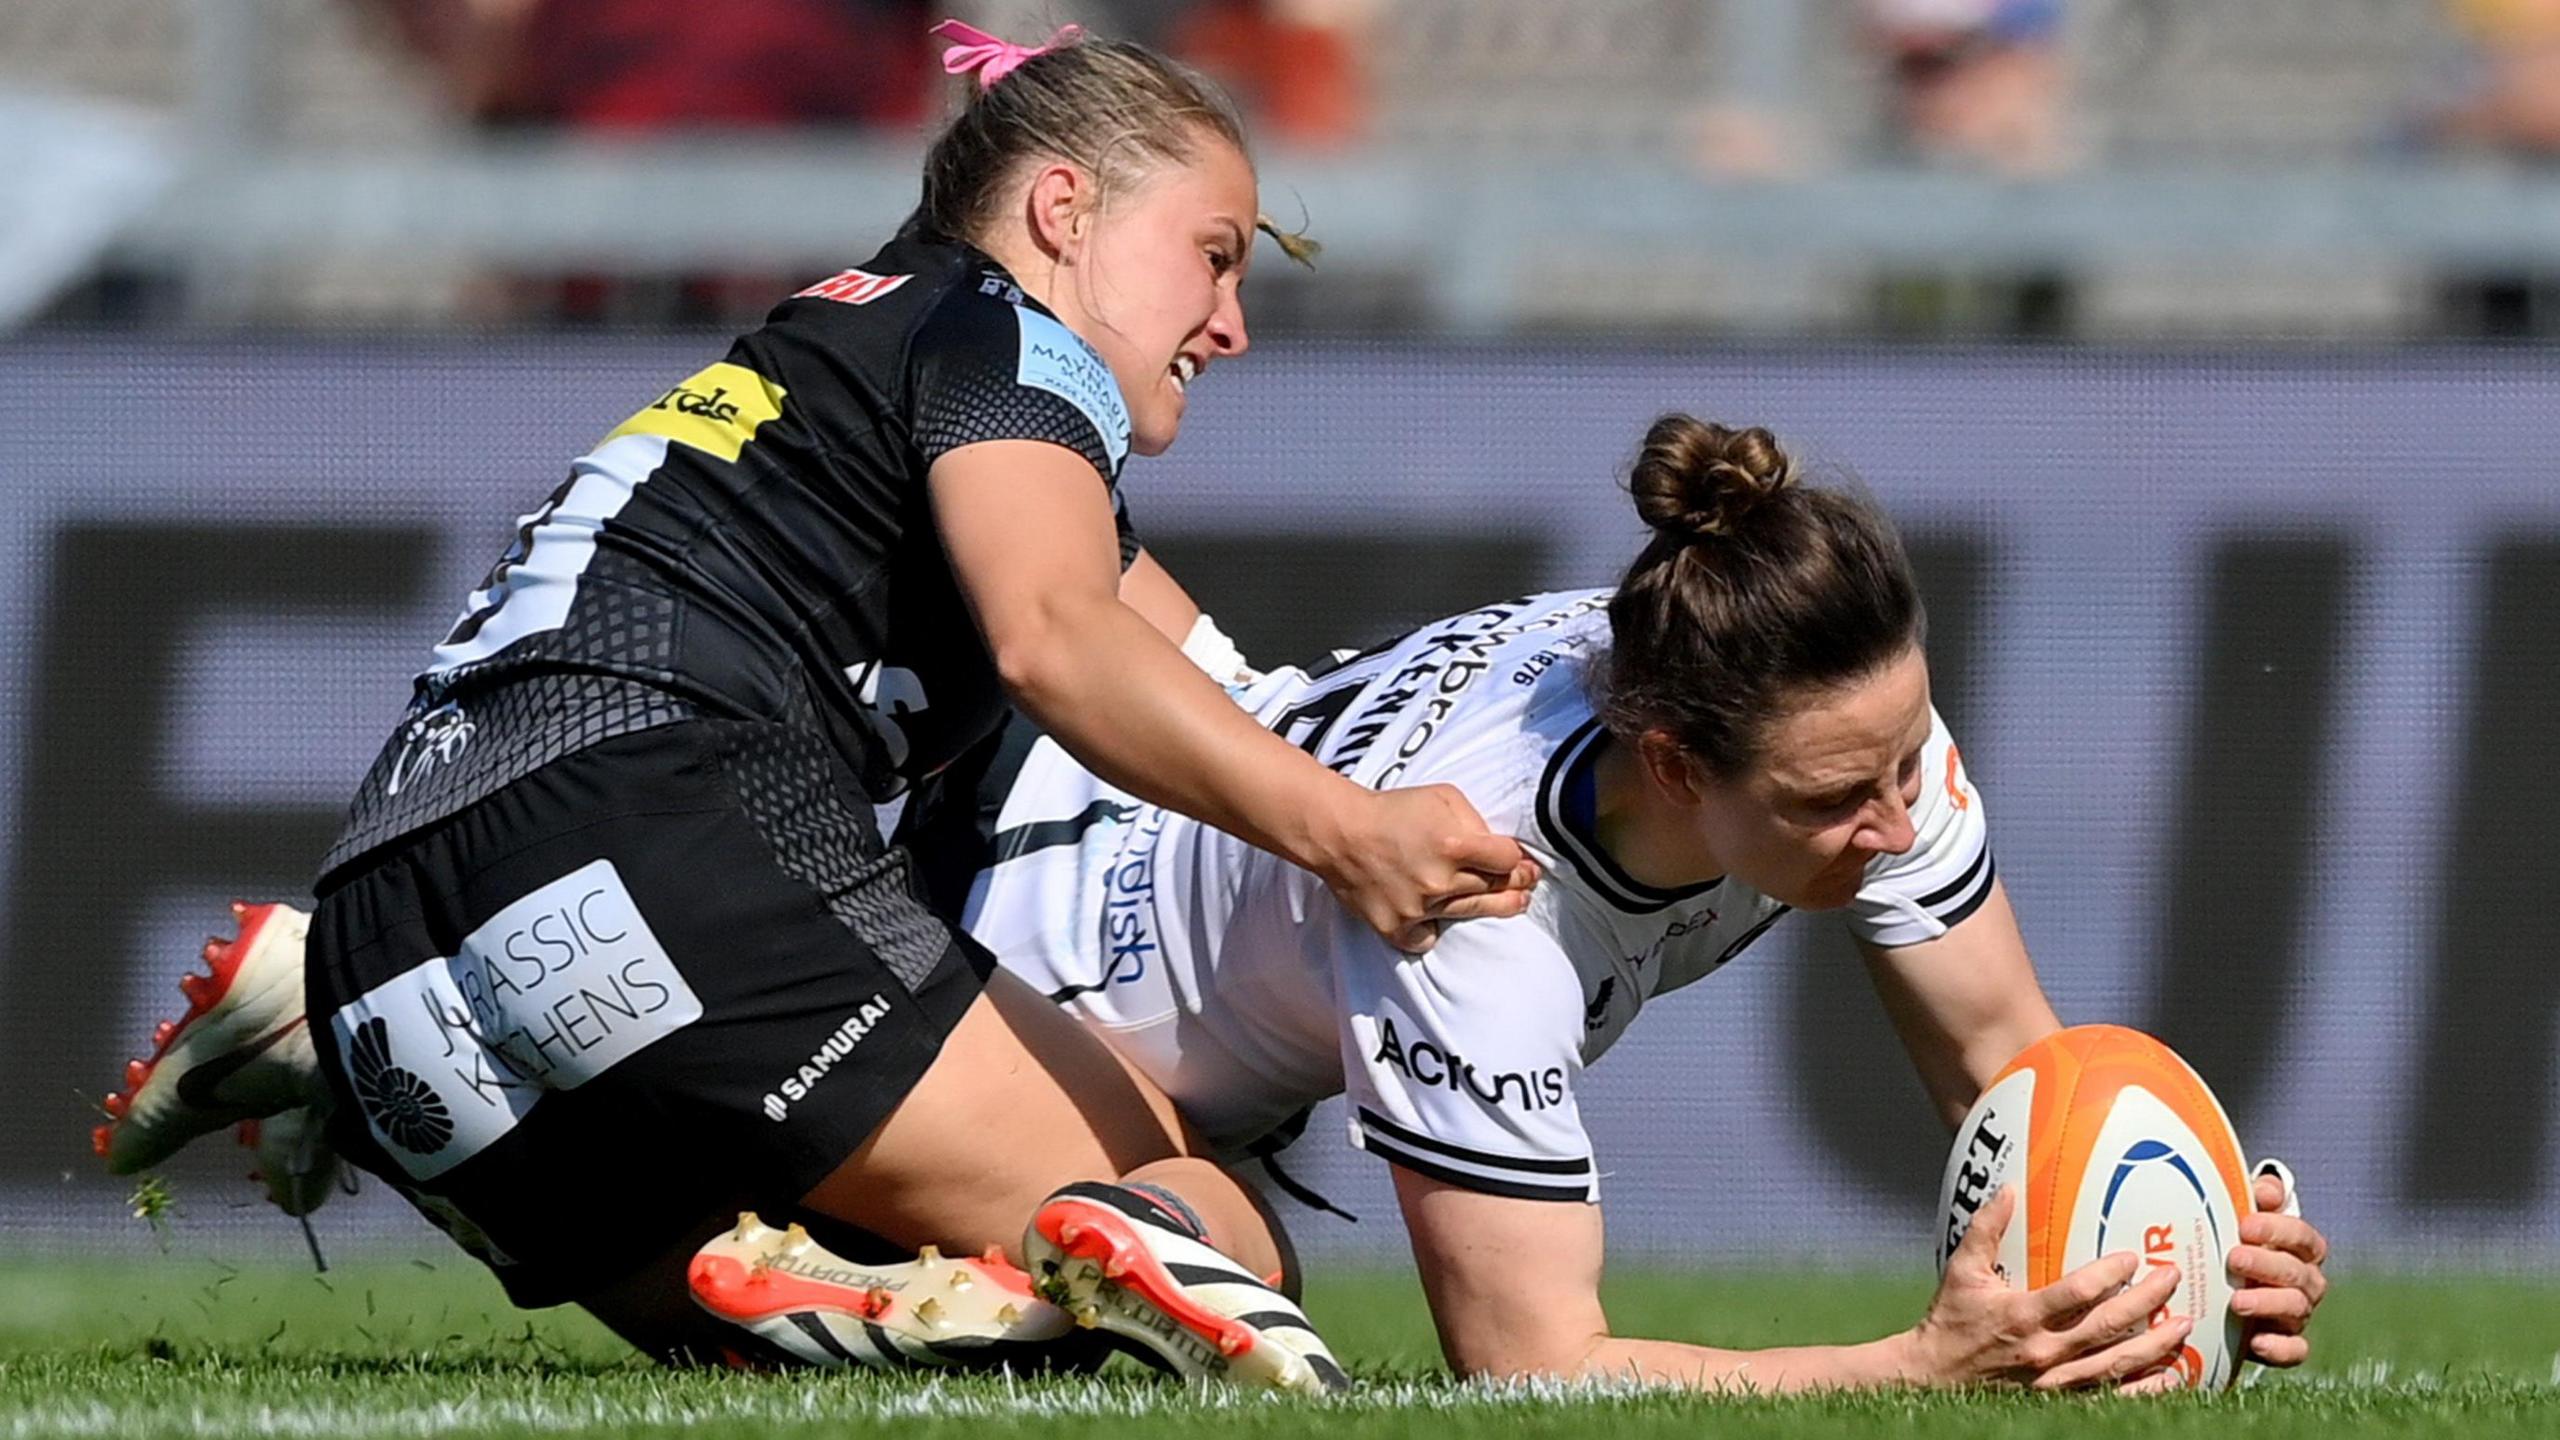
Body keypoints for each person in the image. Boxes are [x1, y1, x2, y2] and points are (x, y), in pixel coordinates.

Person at [92, 21, 1539, 1394]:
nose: (1230, 325)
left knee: (785, 1312)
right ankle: (338, 1051)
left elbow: (1220, 689)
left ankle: (319, 1042)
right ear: (1062, 212)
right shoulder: (1009, 343)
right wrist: (1354, 837)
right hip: (649, 834)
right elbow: (1057, 643)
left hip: (391, 917)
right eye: (1215, 259)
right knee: (1195, 1218)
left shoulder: (856, 346)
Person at [836, 413, 2338, 1388]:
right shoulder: (1478, 910)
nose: (1898, 823)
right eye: (1835, 797)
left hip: (1145, 916)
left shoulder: (1810, 712)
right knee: (1232, 1269)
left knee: (1206, 1258)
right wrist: (1922, 1364)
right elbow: (1532, 1367)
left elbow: (2014, 1068)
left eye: (1907, 753)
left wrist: (2185, 1237)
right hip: (977, 955)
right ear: (1677, 761)